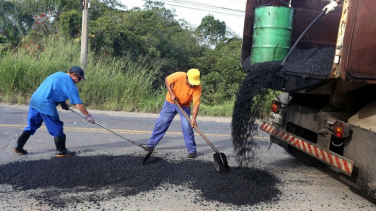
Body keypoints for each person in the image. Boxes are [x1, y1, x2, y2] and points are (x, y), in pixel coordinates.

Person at [12, 66, 95, 157]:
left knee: (32, 125)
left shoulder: (58, 74)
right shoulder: (70, 85)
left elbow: (54, 89)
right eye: (78, 78)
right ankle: (61, 150)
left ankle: (18, 147)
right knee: (56, 126)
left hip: (35, 100)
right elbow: (78, 104)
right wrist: (87, 115)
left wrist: (62, 102)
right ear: (73, 74)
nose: (78, 81)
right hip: (46, 103)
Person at [146, 68, 202, 158]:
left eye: (194, 83)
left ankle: (192, 150)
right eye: (191, 82)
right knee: (162, 123)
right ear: (186, 77)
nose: (192, 85)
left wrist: (194, 119)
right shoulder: (179, 75)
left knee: (187, 126)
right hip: (170, 103)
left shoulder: (197, 87)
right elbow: (167, 80)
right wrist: (172, 93)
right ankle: (151, 145)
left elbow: (196, 104)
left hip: (184, 106)